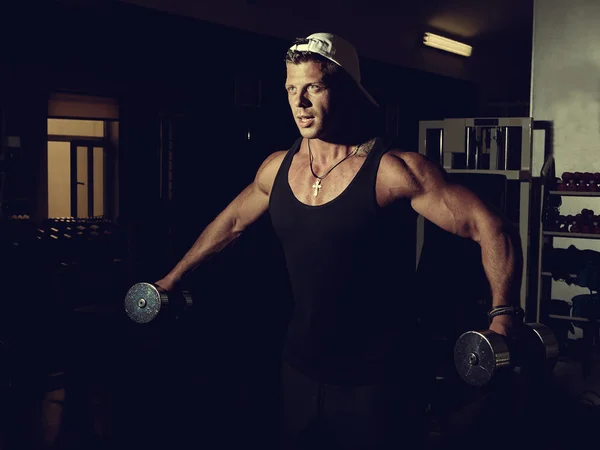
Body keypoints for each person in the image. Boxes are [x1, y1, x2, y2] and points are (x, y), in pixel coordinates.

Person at [155, 32, 524, 449]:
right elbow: (232, 222)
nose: (300, 103)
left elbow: (491, 227)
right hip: (299, 367)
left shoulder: (392, 171)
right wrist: (172, 278)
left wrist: (504, 312)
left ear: (347, 90)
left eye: (313, 87)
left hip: (377, 377)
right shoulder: (277, 168)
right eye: (292, 89)